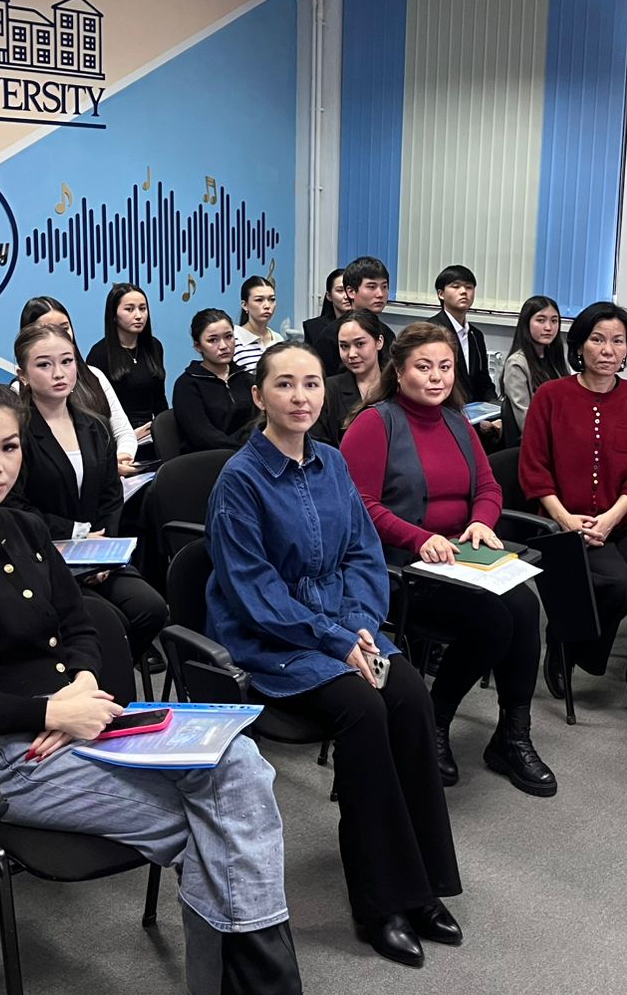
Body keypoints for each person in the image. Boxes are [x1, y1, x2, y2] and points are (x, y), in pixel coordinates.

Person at [0, 374, 302, 994]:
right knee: (218, 833)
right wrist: (49, 712)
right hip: (15, 755)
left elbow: (80, 624)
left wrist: (79, 685)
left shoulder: (24, 529)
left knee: (240, 762)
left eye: (9, 446)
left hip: (87, 716)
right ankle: (266, 985)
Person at [206, 342, 463, 968]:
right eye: (285, 384)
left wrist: (358, 625)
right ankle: (380, 903)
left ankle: (423, 883)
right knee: (363, 710)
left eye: (312, 384)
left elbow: (362, 554)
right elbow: (254, 591)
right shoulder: (239, 480)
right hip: (272, 639)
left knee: (409, 695)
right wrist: (333, 637)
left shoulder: (332, 462)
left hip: (343, 625)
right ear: (259, 395)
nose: (301, 397)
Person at [340, 323, 556, 799]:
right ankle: (435, 722)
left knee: (524, 606)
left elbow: (488, 486)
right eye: (424, 367)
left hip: (459, 559)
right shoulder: (375, 423)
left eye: (445, 367)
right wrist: (420, 539)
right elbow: (360, 506)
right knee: (493, 621)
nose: (437, 377)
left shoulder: (457, 421)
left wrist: (481, 522)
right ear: (399, 371)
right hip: (399, 570)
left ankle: (512, 736)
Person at [518, 302, 627, 736]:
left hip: (625, 519)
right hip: (564, 524)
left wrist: (610, 518)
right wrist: (565, 519)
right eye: (597, 339)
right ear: (579, 346)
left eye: (618, 341)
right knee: (619, 583)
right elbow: (533, 470)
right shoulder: (551, 396)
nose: (608, 350)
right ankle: (567, 642)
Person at [6, 322, 167, 668]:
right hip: (44, 555)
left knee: (151, 609)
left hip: (98, 553)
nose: (59, 373)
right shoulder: (15, 433)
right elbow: (14, 506)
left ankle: (105, 676)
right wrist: (77, 536)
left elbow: (111, 494)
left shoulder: (94, 425)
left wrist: (103, 552)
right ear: (22, 375)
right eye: (44, 364)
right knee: (109, 623)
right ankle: (88, 679)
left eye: (66, 361)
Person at [18, 295, 139, 476]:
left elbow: (123, 432)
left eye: (64, 328)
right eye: (48, 329)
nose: (58, 335)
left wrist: (121, 457)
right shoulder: (17, 395)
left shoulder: (94, 376)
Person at [426, 266, 501, 447]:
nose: (464, 292)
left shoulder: (476, 335)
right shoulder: (430, 331)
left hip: (474, 418)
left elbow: (484, 381)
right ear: (441, 294)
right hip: (443, 416)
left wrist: (495, 412)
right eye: (456, 286)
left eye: (469, 287)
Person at [88, 283, 168, 444]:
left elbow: (159, 399)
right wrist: (127, 436)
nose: (138, 316)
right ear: (113, 314)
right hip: (118, 437)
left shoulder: (154, 346)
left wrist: (165, 429)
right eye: (129, 309)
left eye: (143, 308)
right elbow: (95, 411)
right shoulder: (99, 354)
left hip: (152, 433)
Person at [172, 309, 256, 453]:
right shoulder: (187, 385)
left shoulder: (247, 379)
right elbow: (203, 437)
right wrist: (244, 450)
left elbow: (259, 423)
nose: (223, 346)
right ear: (198, 346)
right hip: (208, 458)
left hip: (249, 454)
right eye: (212, 340)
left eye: (228, 337)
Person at [313, 309, 387, 446]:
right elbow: (318, 444)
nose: (351, 354)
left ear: (379, 342)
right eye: (344, 346)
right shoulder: (329, 390)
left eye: (360, 344)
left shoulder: (396, 386)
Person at [500, 295, 567, 438]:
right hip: (538, 440)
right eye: (541, 320)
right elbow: (525, 420)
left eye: (554, 321)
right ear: (526, 323)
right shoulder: (517, 363)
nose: (548, 327)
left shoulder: (555, 359)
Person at [318, 257, 396, 378]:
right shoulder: (330, 336)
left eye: (384, 287)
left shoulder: (387, 334)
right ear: (351, 292)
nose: (380, 294)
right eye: (372, 287)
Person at [232, 276, 282, 373]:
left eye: (272, 299)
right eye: (259, 300)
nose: (267, 306)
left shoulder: (278, 340)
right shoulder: (233, 339)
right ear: (244, 305)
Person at [301, 267, 350, 352]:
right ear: (329, 296)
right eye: (340, 290)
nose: (346, 296)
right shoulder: (314, 328)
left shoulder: (368, 325)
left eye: (350, 290)